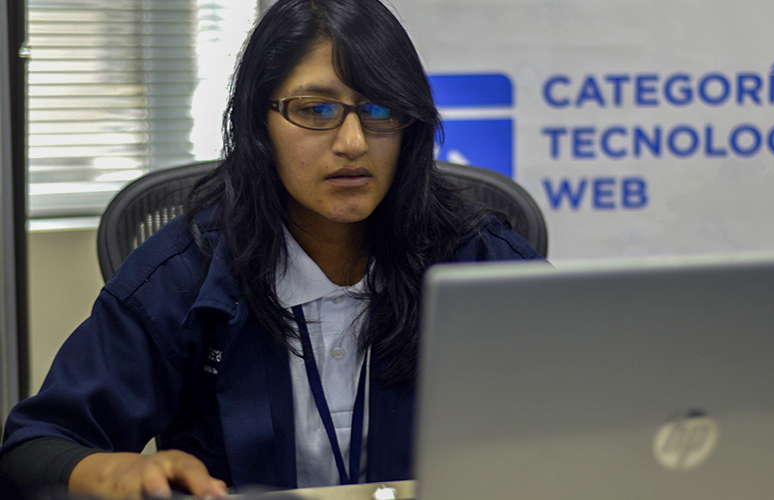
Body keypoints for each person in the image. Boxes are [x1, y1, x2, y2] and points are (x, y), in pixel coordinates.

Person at [0, 0, 542, 498]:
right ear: (259, 122)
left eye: (380, 110)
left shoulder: (477, 260)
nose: (353, 142)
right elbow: (33, 448)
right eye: (316, 109)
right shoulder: (185, 273)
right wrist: (115, 472)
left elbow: (583, 421)